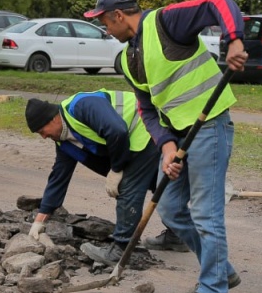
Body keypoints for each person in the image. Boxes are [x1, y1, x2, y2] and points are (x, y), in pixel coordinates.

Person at [85, 0, 248, 293]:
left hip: (209, 127)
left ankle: (213, 292)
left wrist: (234, 40)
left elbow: (218, 2)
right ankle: (222, 271)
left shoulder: (166, 22)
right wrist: (167, 147)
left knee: (205, 213)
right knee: (172, 209)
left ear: (119, 15)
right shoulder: (129, 59)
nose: (103, 28)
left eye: (103, 20)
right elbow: (147, 109)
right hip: (179, 138)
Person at [25, 90, 162, 266]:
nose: (44, 137)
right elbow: (59, 177)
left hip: (144, 127)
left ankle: (122, 248)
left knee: (128, 187)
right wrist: (40, 220)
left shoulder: (81, 106)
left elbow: (117, 130)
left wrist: (116, 168)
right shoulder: (64, 141)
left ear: (53, 119)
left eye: (42, 131)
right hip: (131, 141)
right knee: (158, 182)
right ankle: (176, 236)